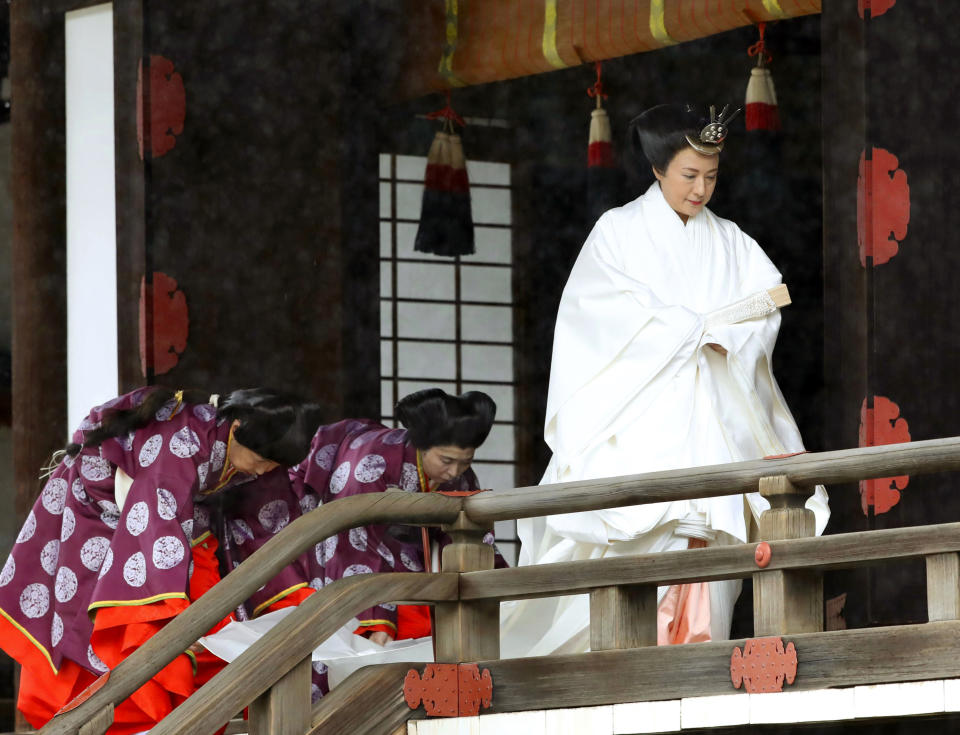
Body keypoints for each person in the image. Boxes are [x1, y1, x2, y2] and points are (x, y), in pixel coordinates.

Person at [500, 104, 830, 656]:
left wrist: (732, 338)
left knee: (712, 542)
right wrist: (688, 331)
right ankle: (615, 668)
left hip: (715, 421)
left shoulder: (732, 241)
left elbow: (767, 304)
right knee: (638, 550)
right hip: (641, 421)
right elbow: (601, 316)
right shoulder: (618, 232)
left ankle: (699, 666)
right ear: (657, 170)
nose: (701, 189)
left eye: (711, 176)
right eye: (688, 175)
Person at [0, 386, 323, 733]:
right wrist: (176, 621)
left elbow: (268, 527)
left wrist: (295, 605)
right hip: (102, 511)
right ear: (236, 428)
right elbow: (154, 527)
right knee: (104, 619)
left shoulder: (256, 455)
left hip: (171, 521)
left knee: (212, 607)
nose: (265, 470)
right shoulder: (178, 445)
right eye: (262, 460)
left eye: (275, 464)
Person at [281, 388, 507, 695]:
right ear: (421, 445)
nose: (454, 471)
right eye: (446, 460)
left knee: (427, 604)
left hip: (397, 545)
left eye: (465, 462)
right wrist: (376, 618)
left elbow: (472, 533)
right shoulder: (371, 463)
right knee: (341, 632)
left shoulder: (456, 474)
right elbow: (353, 536)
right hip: (327, 526)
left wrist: (499, 588)